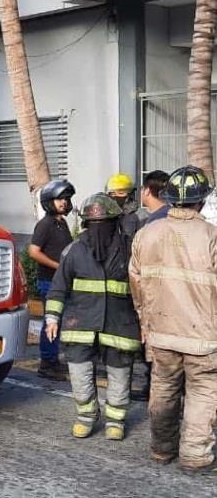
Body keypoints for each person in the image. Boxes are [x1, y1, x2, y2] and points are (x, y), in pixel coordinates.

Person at [129, 166, 217, 473]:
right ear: (202, 201)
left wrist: (146, 322)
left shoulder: (145, 234)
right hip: (204, 337)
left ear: (169, 199)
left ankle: (162, 449)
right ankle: (194, 455)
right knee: (203, 392)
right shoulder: (212, 236)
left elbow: (136, 285)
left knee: (164, 389)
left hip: (161, 333)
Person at [45, 193, 141, 441]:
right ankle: (86, 416)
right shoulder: (74, 251)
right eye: (94, 224)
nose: (99, 229)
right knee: (79, 374)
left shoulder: (130, 251)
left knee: (120, 374)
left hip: (119, 325)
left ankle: (116, 420)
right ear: (86, 224)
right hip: (80, 325)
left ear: (115, 223)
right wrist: (52, 317)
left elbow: (143, 288)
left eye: (105, 224)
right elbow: (58, 287)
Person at [29, 179, 75, 380]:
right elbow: (33, 252)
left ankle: (54, 360)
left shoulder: (61, 223)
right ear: (49, 201)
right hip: (50, 281)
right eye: (59, 199)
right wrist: (58, 266)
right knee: (51, 321)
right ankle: (47, 363)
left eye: (66, 199)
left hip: (61, 281)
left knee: (58, 321)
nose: (64, 203)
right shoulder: (45, 224)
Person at [129, 170, 169, 402]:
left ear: (146, 191)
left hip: (155, 297)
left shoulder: (152, 223)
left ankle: (155, 389)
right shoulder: (174, 216)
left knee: (154, 348)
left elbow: (139, 269)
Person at [106, 172, 141, 238]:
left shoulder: (140, 216)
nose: (115, 196)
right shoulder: (106, 215)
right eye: (112, 193)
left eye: (121, 193)